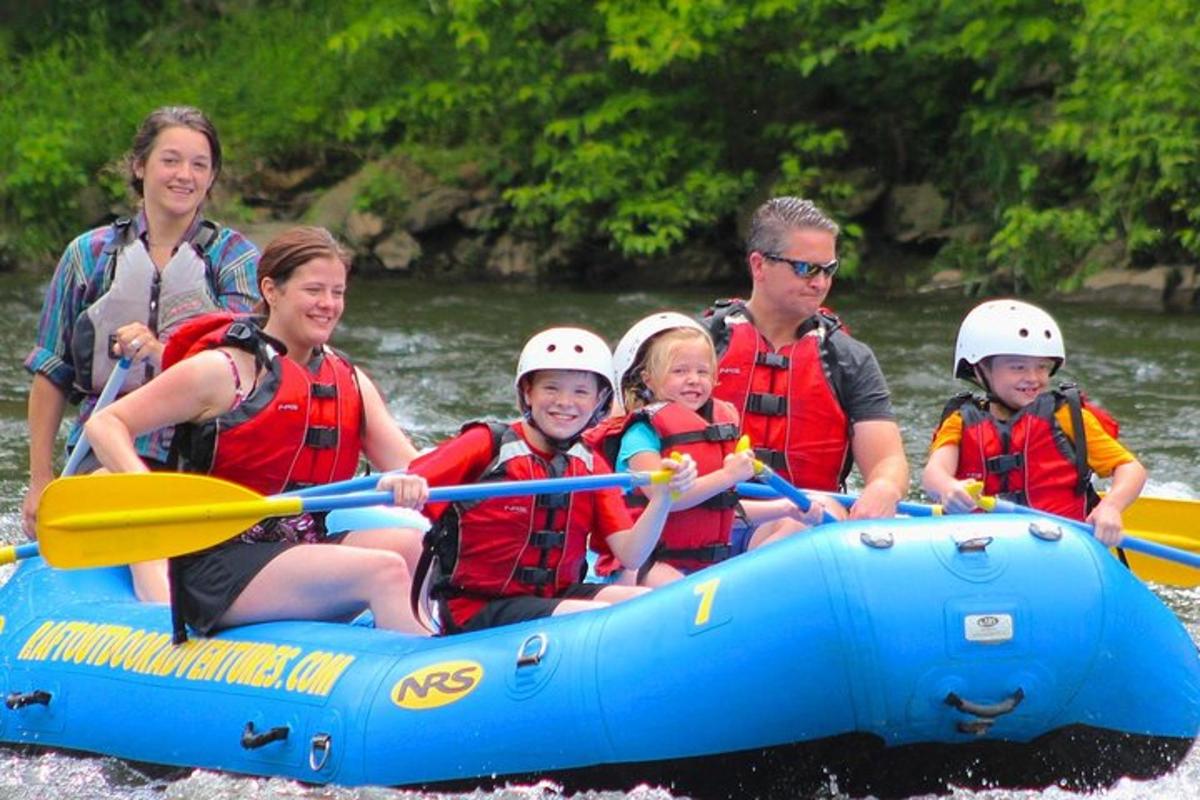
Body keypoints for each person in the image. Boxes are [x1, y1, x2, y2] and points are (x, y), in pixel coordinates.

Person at [85, 226, 429, 640]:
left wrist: (434, 479)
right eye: (314, 290)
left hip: (300, 545)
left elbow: (417, 466)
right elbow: (105, 423)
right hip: (219, 561)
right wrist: (143, 488)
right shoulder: (223, 370)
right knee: (383, 567)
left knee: (415, 547)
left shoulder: (349, 380)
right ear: (272, 289)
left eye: (337, 293)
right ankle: (422, 682)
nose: (328, 305)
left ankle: (429, 647)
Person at [23, 106, 261, 599]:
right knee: (117, 480)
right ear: (140, 166)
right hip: (104, 453)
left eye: (199, 165)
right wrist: (40, 481)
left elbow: (243, 362)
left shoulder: (236, 259)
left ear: (212, 176)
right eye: (171, 160)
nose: (185, 176)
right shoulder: (86, 256)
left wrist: (165, 350)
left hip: (203, 459)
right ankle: (159, 617)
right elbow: (51, 372)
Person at [397, 326, 697, 634]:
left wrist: (662, 499)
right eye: (551, 388)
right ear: (528, 392)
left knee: (646, 603)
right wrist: (406, 485)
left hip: (554, 597)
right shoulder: (487, 444)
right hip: (477, 608)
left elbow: (631, 553)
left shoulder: (590, 465)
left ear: (600, 400)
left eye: (580, 392)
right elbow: (405, 480)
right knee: (598, 616)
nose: (565, 402)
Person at [703, 196, 908, 545]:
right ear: (759, 265)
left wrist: (884, 487)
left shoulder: (848, 358)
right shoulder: (698, 344)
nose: (820, 282)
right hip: (706, 520)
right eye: (805, 268)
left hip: (802, 519)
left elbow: (888, 458)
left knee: (809, 517)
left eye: (828, 269)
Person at [585, 312, 822, 586]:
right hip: (649, 559)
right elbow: (665, 501)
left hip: (707, 554)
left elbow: (717, 510)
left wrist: (786, 508)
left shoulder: (717, 427)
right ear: (648, 380)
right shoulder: (640, 435)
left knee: (792, 525)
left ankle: (753, 589)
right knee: (681, 589)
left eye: (703, 371)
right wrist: (728, 476)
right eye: (680, 371)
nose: (694, 379)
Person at [921, 299, 1147, 546]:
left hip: (1060, 547)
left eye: (1042, 367)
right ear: (980, 370)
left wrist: (1111, 507)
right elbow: (934, 474)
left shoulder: (1067, 417)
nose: (1033, 378)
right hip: (979, 547)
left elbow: (1131, 468)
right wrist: (947, 488)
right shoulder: (960, 421)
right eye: (1018, 367)